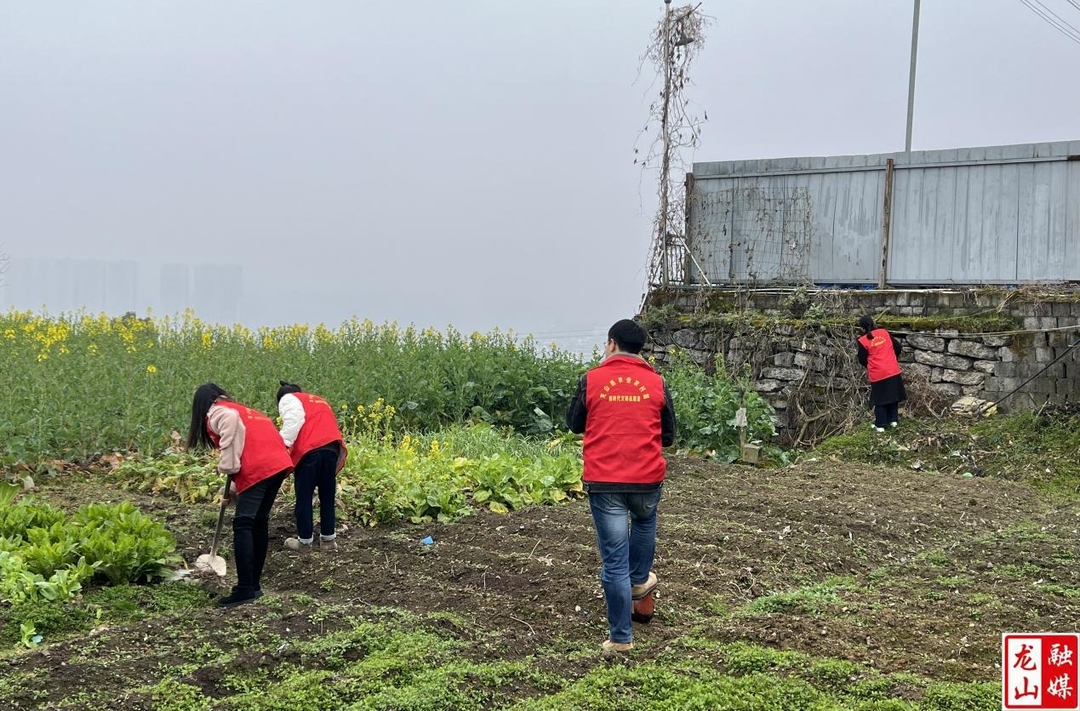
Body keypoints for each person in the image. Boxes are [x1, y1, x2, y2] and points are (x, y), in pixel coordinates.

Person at [566, 319, 676, 655]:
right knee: (644, 522)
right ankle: (641, 579)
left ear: (612, 343)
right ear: (640, 349)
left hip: (605, 480)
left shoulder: (592, 380)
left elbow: (573, 424)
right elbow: (669, 436)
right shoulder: (657, 383)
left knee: (614, 563)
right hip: (646, 477)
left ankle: (621, 639)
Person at [187, 383, 294, 607]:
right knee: (257, 523)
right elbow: (250, 444)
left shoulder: (218, 411)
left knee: (244, 524)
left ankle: (245, 589)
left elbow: (230, 424)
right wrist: (235, 489)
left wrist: (227, 467)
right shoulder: (248, 411)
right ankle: (253, 587)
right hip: (278, 464)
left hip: (260, 467)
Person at [275, 380, 348, 553]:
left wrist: (280, 445)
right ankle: (328, 541)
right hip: (331, 449)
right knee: (327, 496)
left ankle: (305, 543)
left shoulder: (288, 399)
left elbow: (293, 422)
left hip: (309, 452)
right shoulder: (318, 400)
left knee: (304, 497)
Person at [856, 315, 907, 432]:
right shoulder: (884, 332)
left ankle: (881, 424)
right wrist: (892, 359)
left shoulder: (863, 340)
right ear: (873, 323)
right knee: (893, 396)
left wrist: (870, 365)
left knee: (879, 399)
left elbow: (862, 359)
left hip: (878, 373)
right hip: (892, 369)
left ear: (862, 327)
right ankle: (893, 420)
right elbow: (898, 347)